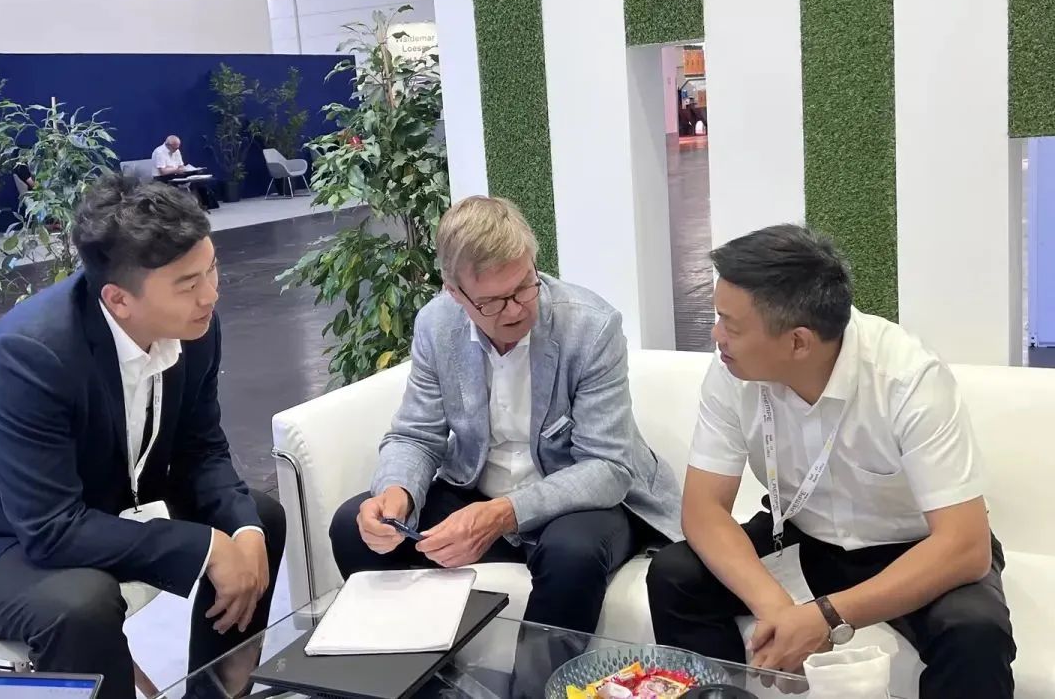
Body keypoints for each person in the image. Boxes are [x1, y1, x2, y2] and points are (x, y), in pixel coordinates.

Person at [646, 224, 1015, 698]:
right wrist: (779, 611)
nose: (717, 336)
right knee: (675, 575)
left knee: (976, 633)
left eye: (730, 326)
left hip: (914, 547)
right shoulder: (731, 372)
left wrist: (824, 617)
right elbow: (703, 511)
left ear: (798, 342)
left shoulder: (907, 379)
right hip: (805, 535)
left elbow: (965, 545)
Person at [0, 175, 285, 699]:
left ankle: (217, 694)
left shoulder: (194, 327)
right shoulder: (28, 356)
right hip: (4, 534)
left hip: (105, 504)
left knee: (258, 518)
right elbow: (50, 529)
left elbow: (202, 450)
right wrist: (206, 547)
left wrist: (243, 532)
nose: (210, 295)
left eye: (211, 269)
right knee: (82, 604)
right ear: (119, 300)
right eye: (187, 284)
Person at [329, 196, 681, 635]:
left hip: (577, 498)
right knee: (353, 528)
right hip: (476, 489)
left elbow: (606, 467)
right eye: (493, 302)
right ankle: (423, 668)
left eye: (523, 287)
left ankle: (542, 675)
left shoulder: (590, 327)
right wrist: (398, 492)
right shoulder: (437, 325)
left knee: (571, 554)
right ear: (455, 294)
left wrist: (501, 514)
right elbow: (416, 435)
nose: (515, 309)